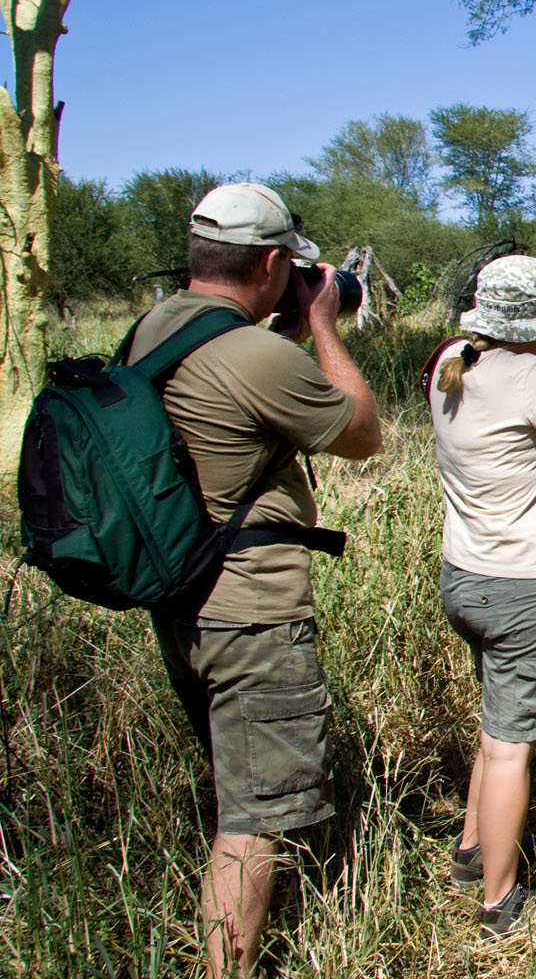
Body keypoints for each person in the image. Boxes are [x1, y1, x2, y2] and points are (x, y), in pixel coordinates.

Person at [136, 182, 382, 978]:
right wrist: (321, 326)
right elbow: (361, 433)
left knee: (231, 791)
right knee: (251, 825)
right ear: (273, 263)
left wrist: (285, 325)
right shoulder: (257, 355)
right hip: (251, 612)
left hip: (180, 594)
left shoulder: (154, 330)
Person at [425, 255, 536, 939]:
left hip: (464, 575)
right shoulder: (532, 376)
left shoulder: (451, 363)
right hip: (521, 587)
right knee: (510, 747)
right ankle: (499, 901)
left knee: (494, 725)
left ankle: (472, 849)